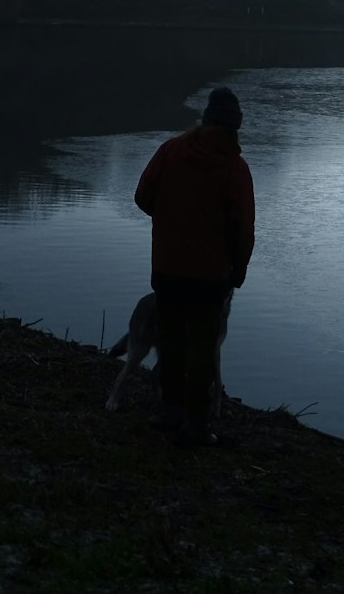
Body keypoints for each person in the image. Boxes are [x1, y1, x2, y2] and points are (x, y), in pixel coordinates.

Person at [134, 85, 255, 446]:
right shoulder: (235, 167)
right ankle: (196, 424)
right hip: (210, 275)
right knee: (202, 346)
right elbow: (242, 228)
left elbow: (142, 196)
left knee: (171, 339)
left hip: (167, 267)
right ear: (234, 128)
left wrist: (169, 219)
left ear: (206, 119)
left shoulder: (171, 150)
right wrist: (239, 269)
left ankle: (169, 410)